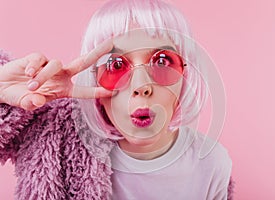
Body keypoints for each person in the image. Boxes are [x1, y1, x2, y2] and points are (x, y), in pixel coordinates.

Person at [0, 0, 233, 199]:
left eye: (162, 62)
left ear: (185, 74)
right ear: (94, 80)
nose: (141, 86)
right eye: (116, 65)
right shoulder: (56, 141)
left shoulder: (211, 164)